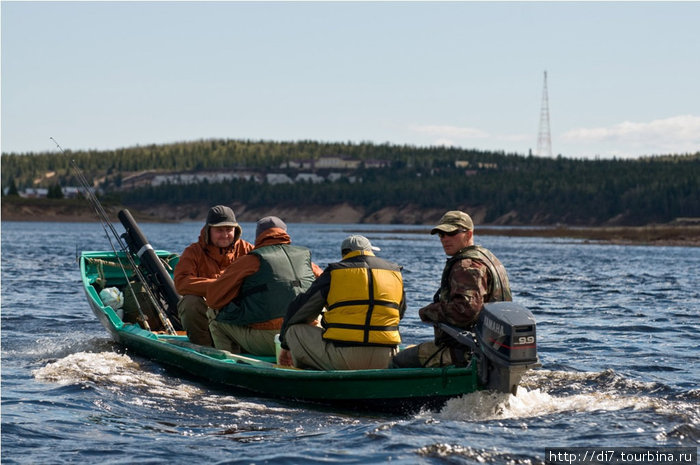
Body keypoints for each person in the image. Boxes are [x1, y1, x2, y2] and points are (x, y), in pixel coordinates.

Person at [390, 210, 512, 368]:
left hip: (465, 352)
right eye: (441, 234)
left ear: (468, 234)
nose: (445, 239)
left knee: (398, 360)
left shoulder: (466, 265)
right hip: (492, 350)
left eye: (452, 233)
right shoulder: (488, 258)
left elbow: (466, 310)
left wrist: (428, 312)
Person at [278, 235, 405, 370]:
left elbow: (301, 310)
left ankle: (308, 375)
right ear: (369, 251)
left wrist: (285, 345)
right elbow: (399, 314)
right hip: (387, 357)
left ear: (344, 254)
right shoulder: (395, 273)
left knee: (294, 330)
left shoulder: (335, 272)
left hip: (344, 358)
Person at [206, 216, 323, 355]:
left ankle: (230, 363)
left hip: (272, 340)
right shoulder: (305, 258)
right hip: (305, 336)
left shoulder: (251, 260)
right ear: (285, 233)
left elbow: (213, 299)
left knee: (214, 315)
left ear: (259, 236)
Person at [173, 205, 254, 346]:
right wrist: (221, 285)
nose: (225, 234)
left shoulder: (248, 250)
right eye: (219, 230)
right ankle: (204, 348)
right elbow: (181, 283)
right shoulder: (193, 252)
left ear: (236, 230)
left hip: (238, 314)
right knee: (189, 302)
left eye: (229, 230)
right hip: (207, 315)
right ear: (208, 231)